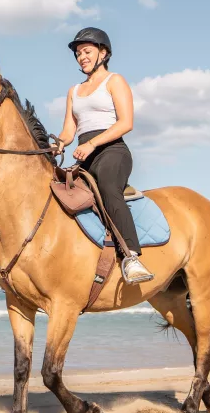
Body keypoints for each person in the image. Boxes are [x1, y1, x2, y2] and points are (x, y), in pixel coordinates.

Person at [55, 27, 154, 284]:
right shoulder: (73, 91)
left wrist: (92, 144)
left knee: (109, 187)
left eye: (87, 51)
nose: (81, 57)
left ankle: (132, 257)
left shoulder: (115, 81)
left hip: (112, 150)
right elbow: (69, 130)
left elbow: (126, 122)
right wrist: (58, 144)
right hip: (83, 154)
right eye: (78, 54)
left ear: (103, 52)